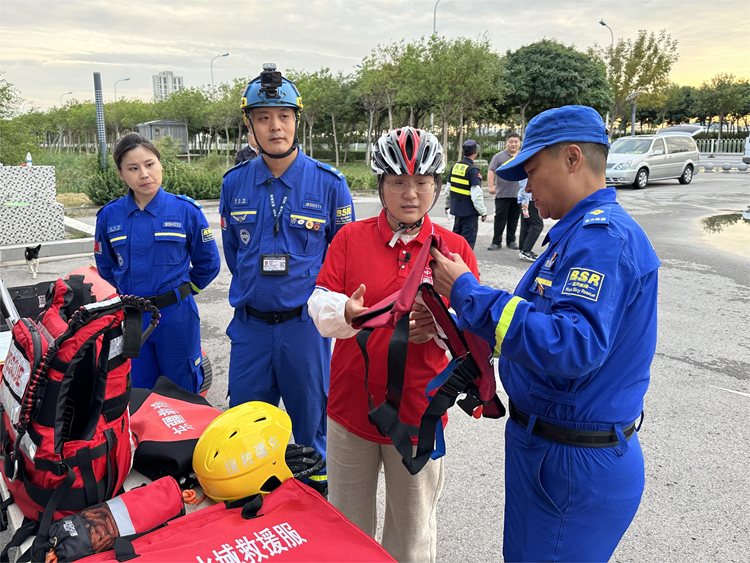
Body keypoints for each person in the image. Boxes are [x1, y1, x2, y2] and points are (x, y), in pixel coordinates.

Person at [429, 106, 661, 562]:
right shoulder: (575, 236)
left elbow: (572, 345)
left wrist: (468, 293)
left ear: (572, 158)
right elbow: (531, 324)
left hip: (571, 459)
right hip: (549, 448)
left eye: (532, 172)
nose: (527, 187)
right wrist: (453, 319)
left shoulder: (602, 239)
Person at [308, 127, 479, 563]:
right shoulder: (350, 238)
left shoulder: (454, 249)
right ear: (381, 184)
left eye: (422, 182)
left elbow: (474, 332)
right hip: (350, 410)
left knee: (412, 537)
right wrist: (347, 312)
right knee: (347, 532)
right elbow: (319, 303)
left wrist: (439, 325)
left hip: (420, 416)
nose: (411, 194)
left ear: (436, 186)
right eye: (398, 181)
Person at [219, 64, 355, 495]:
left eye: (283, 116)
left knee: (312, 426)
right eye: (263, 117)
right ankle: (257, 504)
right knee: (246, 430)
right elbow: (234, 252)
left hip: (304, 329)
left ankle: (315, 503)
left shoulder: (329, 184)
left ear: (297, 121)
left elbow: (342, 258)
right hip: (251, 329)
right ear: (250, 126)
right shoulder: (234, 184)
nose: (275, 126)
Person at [95, 133, 221, 392]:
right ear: (121, 174)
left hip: (176, 315)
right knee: (139, 391)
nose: (144, 174)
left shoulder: (186, 211)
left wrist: (184, 292)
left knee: (182, 389)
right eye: (133, 168)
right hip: (133, 317)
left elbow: (208, 263)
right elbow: (106, 267)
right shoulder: (109, 216)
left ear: (160, 165)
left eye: (149, 164)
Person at [444, 139, 486, 249]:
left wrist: (447, 205)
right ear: (475, 152)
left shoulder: (455, 167)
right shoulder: (473, 170)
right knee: (468, 241)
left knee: (456, 239)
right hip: (469, 213)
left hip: (457, 210)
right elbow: (476, 194)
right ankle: (465, 259)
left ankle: (453, 257)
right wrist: (483, 212)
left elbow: (448, 189)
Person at [487, 132, 522, 250]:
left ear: (520, 143)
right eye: (511, 142)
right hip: (502, 194)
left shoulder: (522, 156)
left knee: (514, 219)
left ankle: (511, 241)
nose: (513, 144)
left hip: (518, 194)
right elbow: (491, 170)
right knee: (500, 219)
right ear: (506, 143)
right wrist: (491, 186)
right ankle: (496, 241)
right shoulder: (498, 157)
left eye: (516, 142)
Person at [516, 178, 544, 261]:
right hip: (529, 199)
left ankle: (523, 249)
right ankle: (526, 250)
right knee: (537, 225)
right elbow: (525, 183)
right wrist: (525, 200)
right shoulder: (528, 170)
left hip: (526, 199)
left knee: (526, 224)